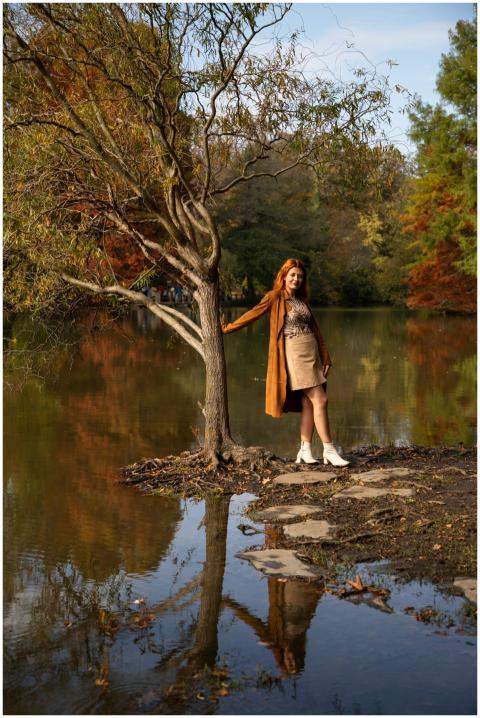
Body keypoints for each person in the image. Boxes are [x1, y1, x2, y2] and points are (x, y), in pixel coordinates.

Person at [222, 258, 349, 466]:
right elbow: (252, 314)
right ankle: (329, 450)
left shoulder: (301, 300)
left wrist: (325, 356)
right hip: (294, 354)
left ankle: (305, 451)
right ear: (284, 276)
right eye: (292, 275)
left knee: (308, 402)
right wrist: (227, 328)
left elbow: (315, 330)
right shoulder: (275, 297)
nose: (296, 279)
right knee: (321, 400)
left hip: (312, 353)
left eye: (299, 276)